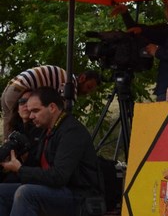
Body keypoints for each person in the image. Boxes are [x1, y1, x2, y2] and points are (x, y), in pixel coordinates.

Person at [0, 87, 103, 215]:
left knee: (26, 193)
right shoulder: (48, 129)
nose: (31, 116)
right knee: (2, 191)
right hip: (57, 190)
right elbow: (39, 168)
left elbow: (59, 177)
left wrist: (20, 170)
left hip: (78, 195)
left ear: (52, 107)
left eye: (36, 111)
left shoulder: (71, 132)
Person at [1, 66, 100, 139]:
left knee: (9, 128)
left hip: (10, 89)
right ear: (82, 78)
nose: (87, 92)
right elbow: (63, 114)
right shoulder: (71, 84)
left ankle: (7, 159)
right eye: (88, 87)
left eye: (91, 91)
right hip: (19, 91)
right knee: (30, 125)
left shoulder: (63, 76)